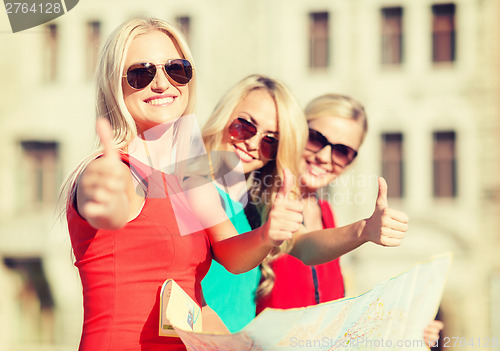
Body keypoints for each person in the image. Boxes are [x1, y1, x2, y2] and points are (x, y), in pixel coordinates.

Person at [62, 18, 303, 351]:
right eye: (141, 74)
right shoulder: (110, 170)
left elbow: (232, 256)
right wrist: (104, 196)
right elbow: (109, 208)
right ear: (114, 85)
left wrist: (266, 235)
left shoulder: (190, 172)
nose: (162, 84)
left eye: (176, 69)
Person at [201, 76, 409, 332]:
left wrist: (364, 230)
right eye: (244, 125)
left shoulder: (244, 194)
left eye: (270, 140)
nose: (253, 143)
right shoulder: (205, 179)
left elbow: (301, 246)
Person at [255, 93, 443, 344]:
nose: (324, 156)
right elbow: (303, 246)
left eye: (342, 151)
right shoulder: (262, 196)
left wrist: (404, 328)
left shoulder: (326, 212)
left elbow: (332, 318)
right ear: (297, 132)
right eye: (315, 138)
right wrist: (364, 230)